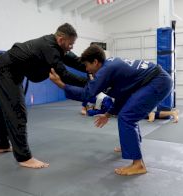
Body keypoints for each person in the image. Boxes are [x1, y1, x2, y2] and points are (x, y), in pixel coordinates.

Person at [49, 45, 172, 176]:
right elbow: (122, 97)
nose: (87, 70)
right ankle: (131, 145)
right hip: (157, 80)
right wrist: (108, 114)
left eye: (87, 65)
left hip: (158, 81)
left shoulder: (106, 69)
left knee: (127, 117)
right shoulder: (111, 66)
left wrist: (61, 84)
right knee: (128, 113)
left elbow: (87, 94)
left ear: (95, 62)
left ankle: (138, 164)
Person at [0, 23, 88, 169]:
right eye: (70, 44)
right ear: (61, 39)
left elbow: (76, 61)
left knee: (6, 108)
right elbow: (64, 74)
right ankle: (24, 157)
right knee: (17, 110)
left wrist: (97, 68)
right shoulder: (49, 48)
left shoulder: (58, 46)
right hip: (4, 70)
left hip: (13, 72)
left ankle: (2, 144)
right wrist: (89, 83)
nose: (71, 47)